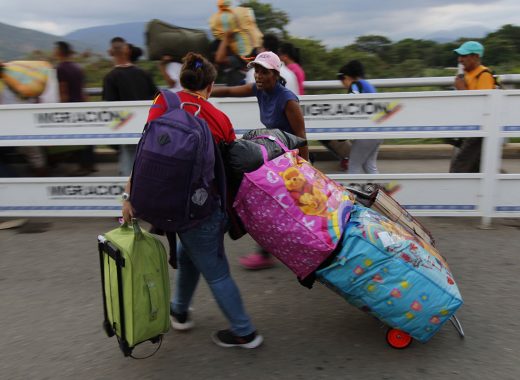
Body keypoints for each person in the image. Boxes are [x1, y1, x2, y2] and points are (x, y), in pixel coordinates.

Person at [121, 52, 263, 349]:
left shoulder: (164, 103)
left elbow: (145, 152)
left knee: (190, 255)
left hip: (166, 203)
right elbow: (228, 166)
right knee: (215, 269)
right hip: (201, 208)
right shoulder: (219, 118)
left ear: (181, 79)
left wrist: (128, 195)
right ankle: (244, 331)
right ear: (210, 86)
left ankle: (179, 310)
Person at [212, 51, 308, 270]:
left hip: (290, 159)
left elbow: (301, 137)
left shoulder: (287, 99)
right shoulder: (259, 90)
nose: (258, 76)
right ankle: (271, 251)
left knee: (292, 206)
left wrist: (305, 167)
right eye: (256, 71)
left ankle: (302, 249)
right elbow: (229, 91)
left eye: (264, 72)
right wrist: (202, 93)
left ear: (275, 73)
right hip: (274, 156)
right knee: (273, 204)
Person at [102, 37, 157, 176]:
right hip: (148, 128)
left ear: (110, 52)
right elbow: (157, 98)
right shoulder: (144, 74)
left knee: (128, 172)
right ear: (127, 51)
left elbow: (109, 107)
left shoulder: (110, 77)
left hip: (126, 130)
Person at [450, 41, 495, 173]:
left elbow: (482, 106)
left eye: (464, 56)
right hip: (470, 129)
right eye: (459, 56)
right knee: (479, 169)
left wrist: (461, 89)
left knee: (459, 167)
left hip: (480, 131)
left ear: (476, 57)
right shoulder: (467, 75)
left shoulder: (484, 75)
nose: (460, 59)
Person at [53, 41, 96, 176]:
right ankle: (90, 165)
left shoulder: (61, 68)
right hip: (82, 104)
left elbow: (63, 90)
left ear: (60, 52)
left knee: (77, 137)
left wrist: (62, 108)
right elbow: (83, 90)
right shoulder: (78, 67)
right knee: (87, 135)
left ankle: (83, 166)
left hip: (71, 105)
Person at [337, 60, 382, 174]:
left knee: (353, 166)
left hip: (366, 132)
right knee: (369, 165)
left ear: (346, 77)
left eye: (342, 81)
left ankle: (352, 192)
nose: (342, 85)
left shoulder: (355, 85)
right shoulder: (367, 85)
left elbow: (352, 101)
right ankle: (381, 191)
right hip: (377, 130)